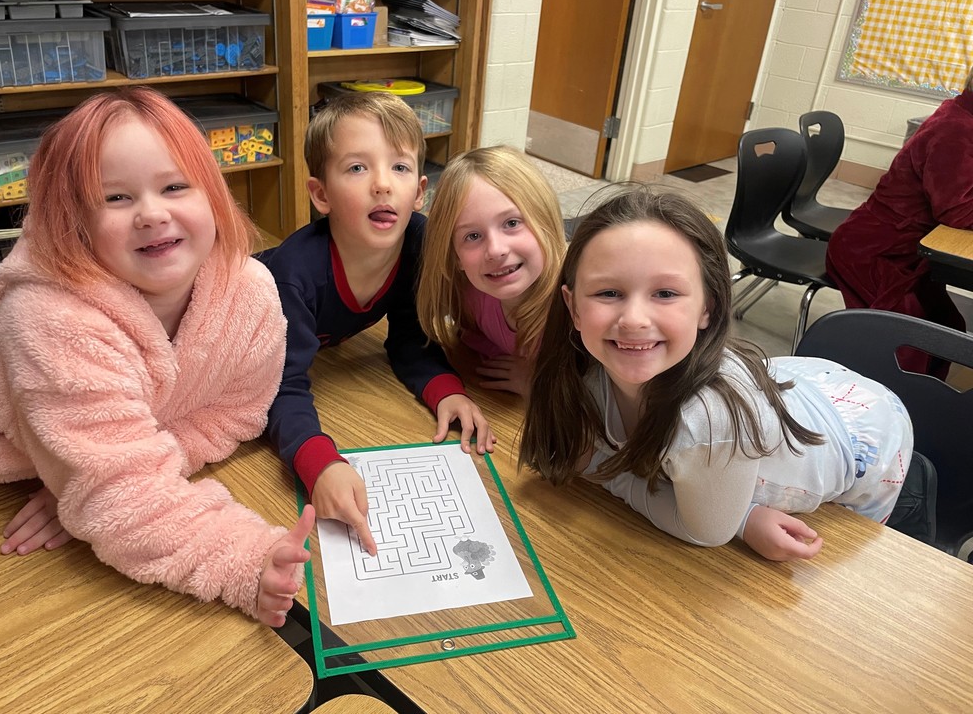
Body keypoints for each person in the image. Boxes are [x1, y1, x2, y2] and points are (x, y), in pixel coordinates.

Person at [0, 88, 314, 627]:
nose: (151, 213)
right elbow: (118, 495)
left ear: (212, 193)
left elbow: (238, 411)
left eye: (173, 186)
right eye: (114, 198)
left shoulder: (249, 292)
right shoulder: (50, 319)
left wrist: (89, 474)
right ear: (68, 221)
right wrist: (244, 559)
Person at [519, 186, 914, 562]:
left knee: (861, 558)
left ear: (707, 306)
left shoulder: (708, 421)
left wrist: (609, 474)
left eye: (665, 293)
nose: (634, 320)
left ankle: (918, 494)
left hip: (862, 435)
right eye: (608, 293)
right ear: (573, 307)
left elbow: (706, 532)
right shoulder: (588, 367)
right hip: (789, 386)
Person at [258, 91, 494, 557]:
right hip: (232, 325)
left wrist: (447, 389)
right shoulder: (292, 275)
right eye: (357, 168)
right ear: (320, 195)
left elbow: (409, 338)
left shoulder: (417, 243)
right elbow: (280, 387)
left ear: (421, 192)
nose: (383, 184)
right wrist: (319, 462)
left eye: (400, 168)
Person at [826, 70, 973, 376]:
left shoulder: (963, 114)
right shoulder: (956, 129)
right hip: (873, 251)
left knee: (947, 326)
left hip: (906, 252)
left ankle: (920, 396)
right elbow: (956, 212)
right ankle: (893, 404)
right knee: (908, 344)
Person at [417, 146, 566, 397]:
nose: (495, 250)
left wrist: (538, 384)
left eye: (512, 223)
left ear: (546, 222)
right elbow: (476, 340)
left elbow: (612, 398)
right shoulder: (472, 298)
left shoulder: (575, 308)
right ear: (455, 257)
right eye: (473, 236)